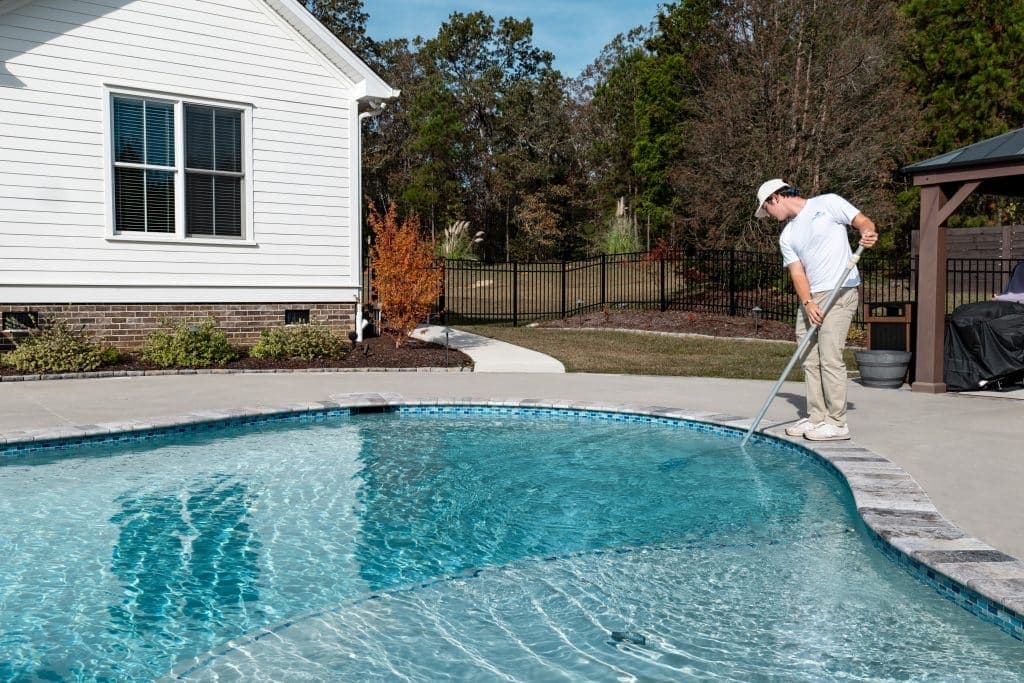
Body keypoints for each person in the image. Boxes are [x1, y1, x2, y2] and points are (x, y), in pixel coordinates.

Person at [754, 179, 878, 441]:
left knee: (830, 356)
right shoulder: (787, 235)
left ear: (776, 198)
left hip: (841, 290)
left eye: (766, 209)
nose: (768, 216)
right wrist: (808, 303)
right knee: (808, 358)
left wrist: (868, 231)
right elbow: (797, 272)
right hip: (811, 298)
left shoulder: (828, 203)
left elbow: (863, 221)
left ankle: (837, 422)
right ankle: (817, 417)